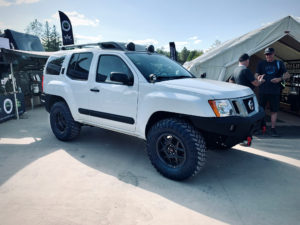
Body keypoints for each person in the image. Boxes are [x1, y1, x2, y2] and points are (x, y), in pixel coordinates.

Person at [255, 47, 290, 137]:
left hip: (275, 91)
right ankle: (261, 127)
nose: (268, 56)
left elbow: (287, 75)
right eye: (266, 54)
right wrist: (258, 79)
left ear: (274, 54)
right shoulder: (261, 63)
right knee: (261, 110)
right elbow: (256, 74)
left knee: (274, 111)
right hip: (263, 90)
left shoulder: (279, 63)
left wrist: (279, 79)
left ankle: (273, 128)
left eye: (269, 54)